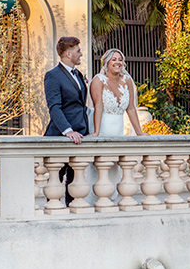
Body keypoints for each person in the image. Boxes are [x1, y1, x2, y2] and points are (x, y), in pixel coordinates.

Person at [44, 36, 89, 205]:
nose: (81, 54)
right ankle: (53, 210)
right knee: (57, 177)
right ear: (68, 54)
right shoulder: (52, 76)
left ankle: (73, 211)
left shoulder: (78, 74)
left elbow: (80, 106)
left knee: (75, 179)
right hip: (61, 135)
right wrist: (68, 131)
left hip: (80, 134)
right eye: (78, 51)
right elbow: (54, 107)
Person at [88, 49, 145, 137]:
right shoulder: (99, 80)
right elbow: (98, 107)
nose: (117, 62)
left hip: (119, 133)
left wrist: (139, 133)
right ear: (107, 62)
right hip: (102, 131)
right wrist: (96, 133)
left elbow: (131, 109)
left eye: (120, 60)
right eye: (114, 59)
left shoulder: (127, 80)